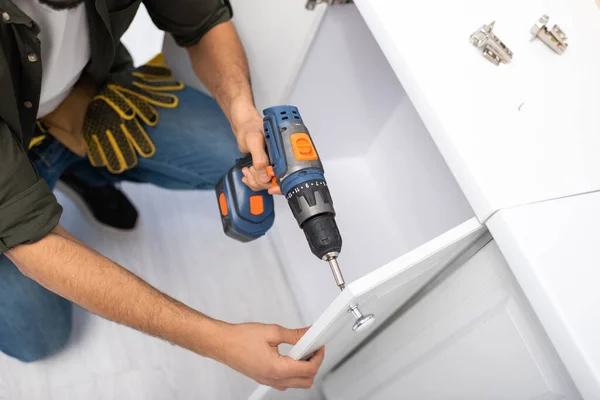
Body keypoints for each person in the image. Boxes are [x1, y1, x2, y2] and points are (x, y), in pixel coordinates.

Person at [0, 0, 324, 391]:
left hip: (80, 100)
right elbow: (33, 241)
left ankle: (80, 169)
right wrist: (221, 341)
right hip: (7, 161)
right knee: (40, 336)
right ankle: (42, 181)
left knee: (229, 152)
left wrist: (243, 114)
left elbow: (203, 22)